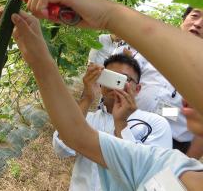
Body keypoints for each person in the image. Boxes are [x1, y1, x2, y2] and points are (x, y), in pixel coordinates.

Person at [9, 0, 203, 190]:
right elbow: (75, 137)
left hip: (165, 135)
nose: (187, 96)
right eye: (195, 15)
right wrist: (39, 59)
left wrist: (109, 15)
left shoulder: (162, 142)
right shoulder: (166, 166)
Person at [52, 54, 172, 191]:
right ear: (101, 82)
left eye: (123, 79)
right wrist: (87, 98)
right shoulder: (87, 118)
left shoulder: (156, 124)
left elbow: (154, 179)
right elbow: (61, 149)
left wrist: (121, 124)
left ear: (137, 89)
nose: (115, 85)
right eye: (110, 77)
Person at [112, 7, 203, 156]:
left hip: (172, 147)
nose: (198, 24)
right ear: (183, 19)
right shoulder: (153, 48)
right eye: (194, 16)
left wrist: (186, 161)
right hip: (129, 127)